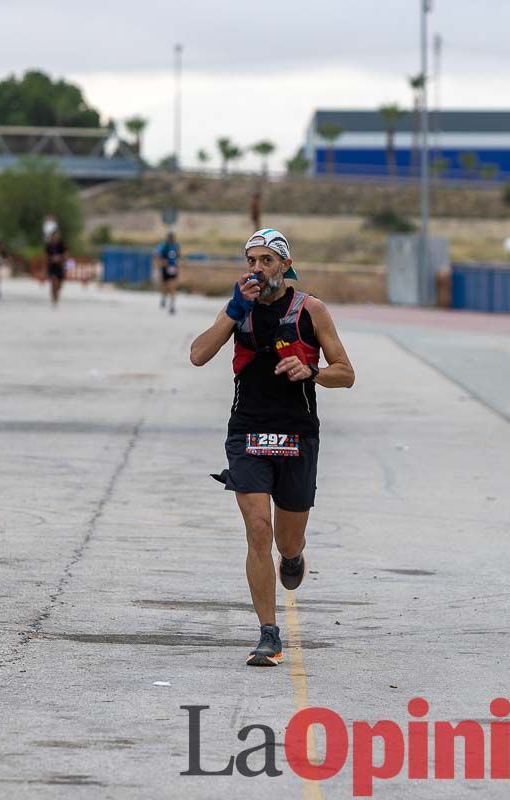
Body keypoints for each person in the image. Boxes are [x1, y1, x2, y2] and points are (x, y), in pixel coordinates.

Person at [189, 228, 355, 667]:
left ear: (285, 265)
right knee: (257, 529)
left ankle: (295, 555)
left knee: (287, 538)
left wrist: (311, 371)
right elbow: (198, 354)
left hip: (297, 433)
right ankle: (268, 632)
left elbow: (346, 372)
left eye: (266, 261)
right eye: (251, 261)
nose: (257, 269)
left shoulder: (310, 309)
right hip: (247, 432)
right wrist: (232, 310)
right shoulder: (238, 309)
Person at [155, 231, 181, 314]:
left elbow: (178, 256)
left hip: (173, 268)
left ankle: (172, 305)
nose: (171, 238)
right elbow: (158, 256)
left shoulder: (176, 246)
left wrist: (177, 265)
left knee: (172, 286)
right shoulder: (164, 245)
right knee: (164, 285)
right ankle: (164, 297)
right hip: (165, 268)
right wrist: (163, 263)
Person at [45, 229, 68, 307]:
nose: (56, 237)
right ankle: (53, 296)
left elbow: (66, 255)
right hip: (52, 266)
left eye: (58, 235)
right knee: (54, 281)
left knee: (59, 284)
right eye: (55, 235)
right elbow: (46, 256)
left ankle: (56, 293)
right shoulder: (49, 245)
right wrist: (52, 259)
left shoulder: (62, 245)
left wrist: (60, 258)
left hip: (60, 266)